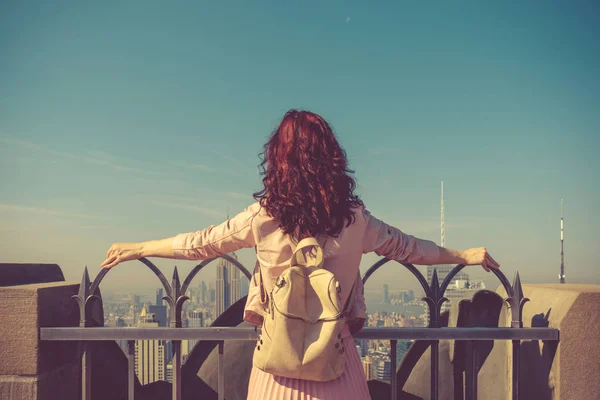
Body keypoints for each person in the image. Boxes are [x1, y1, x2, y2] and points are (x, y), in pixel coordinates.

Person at [101, 109, 500, 399]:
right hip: (337, 368)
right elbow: (411, 248)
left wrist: (140, 248)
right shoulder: (355, 220)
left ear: (278, 160)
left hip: (276, 370)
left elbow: (202, 242)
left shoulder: (263, 217)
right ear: (331, 159)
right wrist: (463, 254)